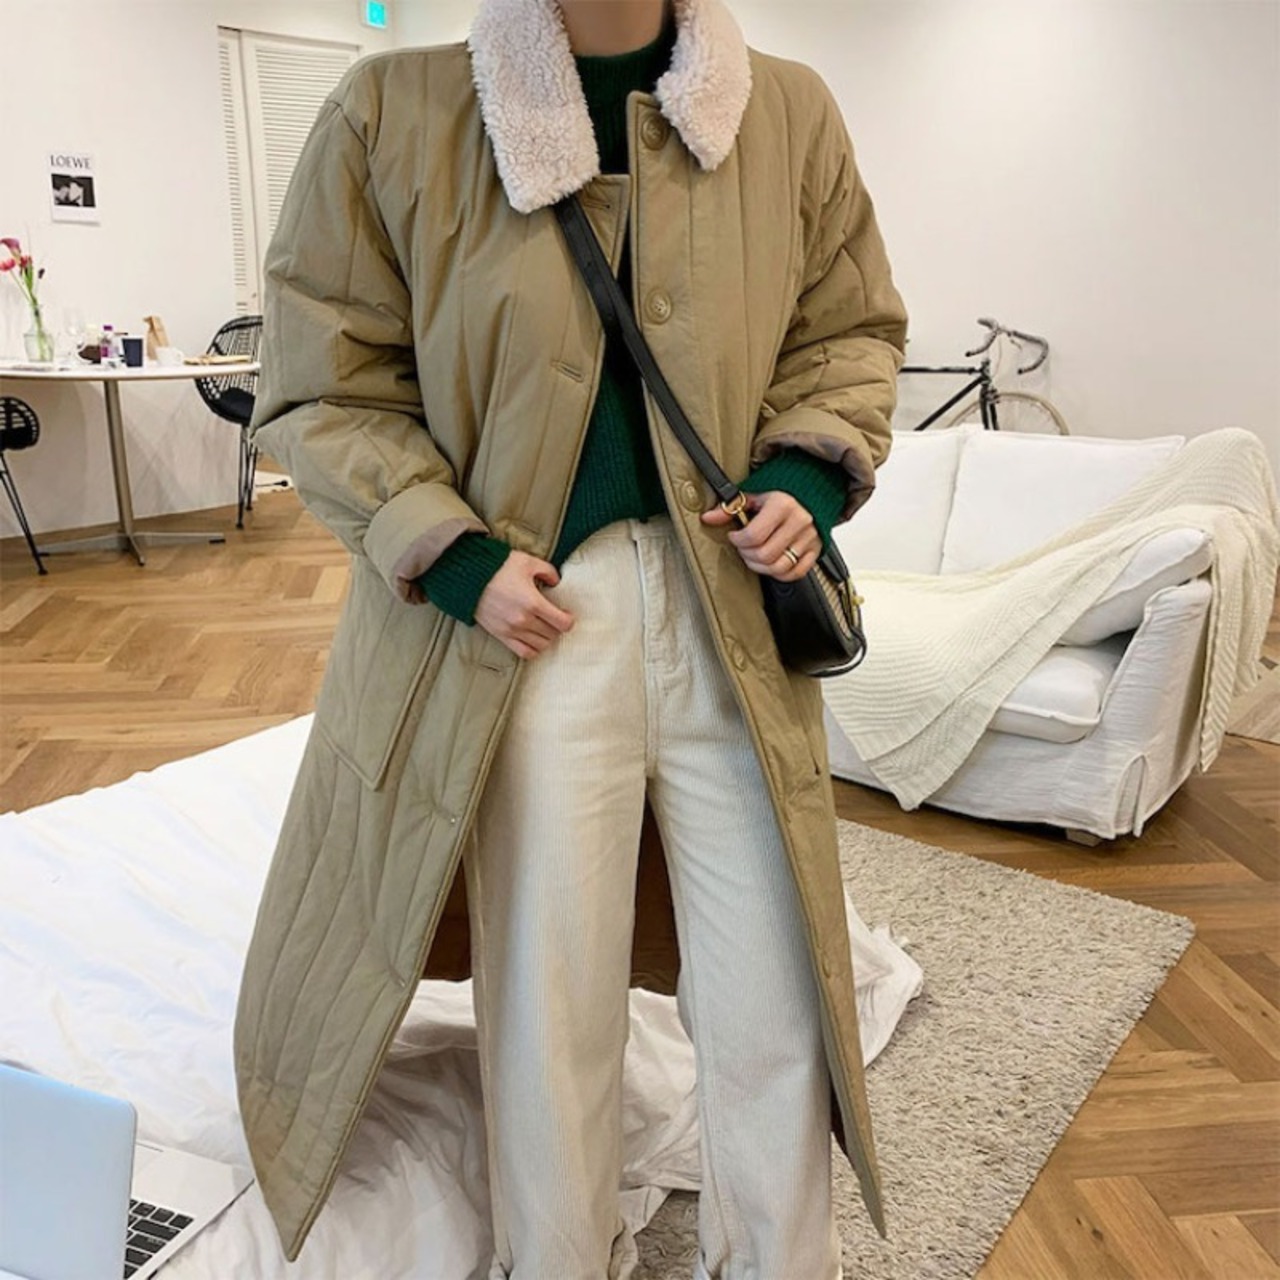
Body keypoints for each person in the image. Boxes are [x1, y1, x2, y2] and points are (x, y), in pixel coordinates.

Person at [233, 0, 907, 1275]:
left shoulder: (786, 111)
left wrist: (807, 475)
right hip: (529, 626)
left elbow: (847, 330)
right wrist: (452, 551)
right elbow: (322, 383)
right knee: (549, 995)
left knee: (772, 988)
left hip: (731, 620)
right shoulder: (394, 112)